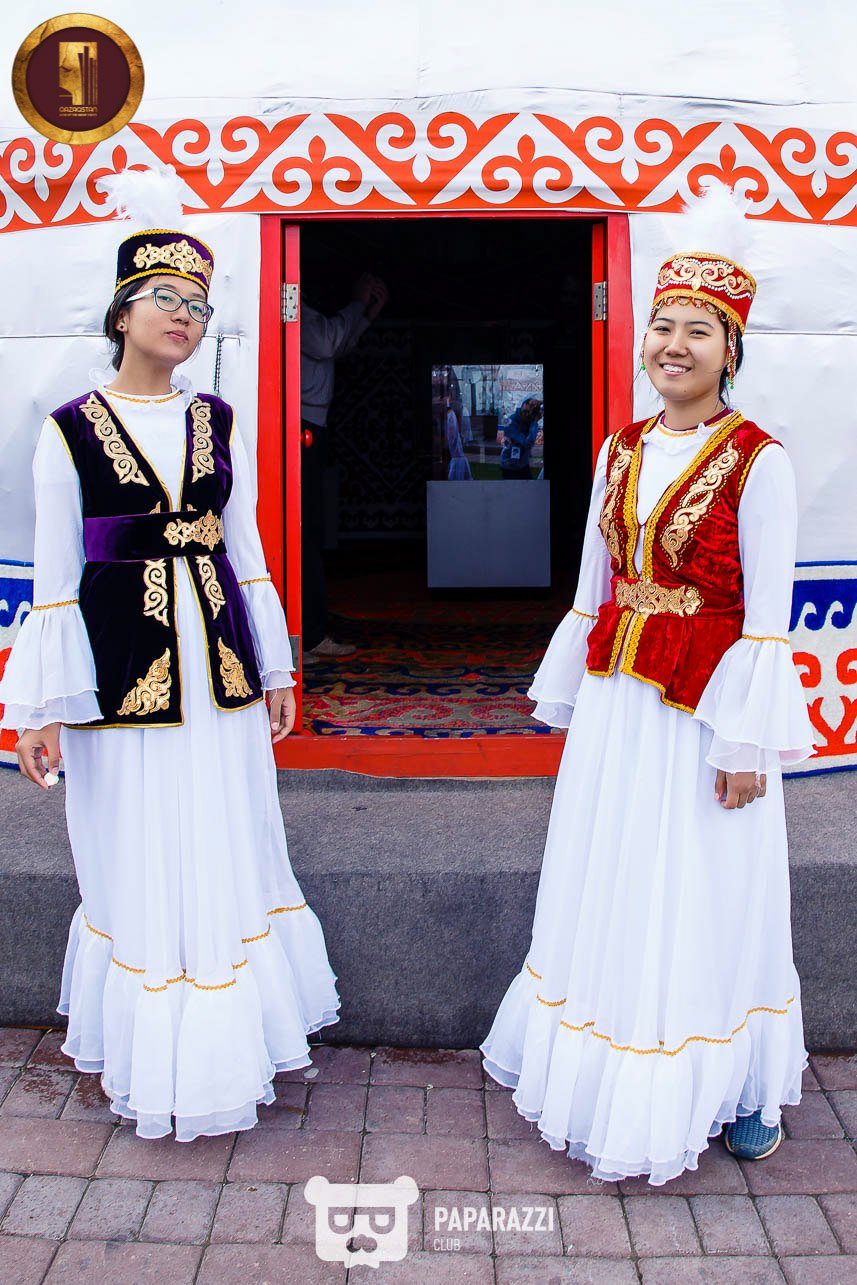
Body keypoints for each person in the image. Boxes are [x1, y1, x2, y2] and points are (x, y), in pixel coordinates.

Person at [481, 243, 815, 1183]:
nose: (674, 344)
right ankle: (602, 1070)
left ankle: (739, 1086)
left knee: (710, 884)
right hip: (619, 705)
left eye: (697, 331)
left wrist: (745, 742)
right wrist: (574, 700)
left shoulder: (759, 462)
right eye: (662, 326)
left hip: (704, 714)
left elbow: (768, 616)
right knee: (615, 875)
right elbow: (594, 586)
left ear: (730, 349)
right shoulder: (618, 448)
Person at [0, 224, 340, 1140]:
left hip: (216, 664)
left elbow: (246, 546)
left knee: (224, 827)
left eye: (197, 305)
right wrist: (38, 710)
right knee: (135, 837)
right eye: (165, 299)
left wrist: (275, 665)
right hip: (119, 672)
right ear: (122, 313)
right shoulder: (70, 429)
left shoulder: (217, 420)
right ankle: (156, 1050)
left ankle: (232, 1038)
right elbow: (55, 574)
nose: (183, 316)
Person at [300, 274, 389, 663]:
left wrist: (366, 316)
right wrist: (356, 303)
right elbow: (327, 341)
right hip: (298, 426)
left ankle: (309, 632)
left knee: (311, 531)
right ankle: (305, 635)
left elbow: (337, 346)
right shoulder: (293, 309)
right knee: (303, 532)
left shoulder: (308, 313)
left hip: (312, 426)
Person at [499, 397, 543, 479]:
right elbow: (527, 443)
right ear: (522, 406)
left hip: (522, 464)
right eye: (530, 405)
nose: (528, 413)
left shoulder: (528, 420)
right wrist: (535, 422)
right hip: (509, 465)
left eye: (533, 407)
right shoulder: (510, 422)